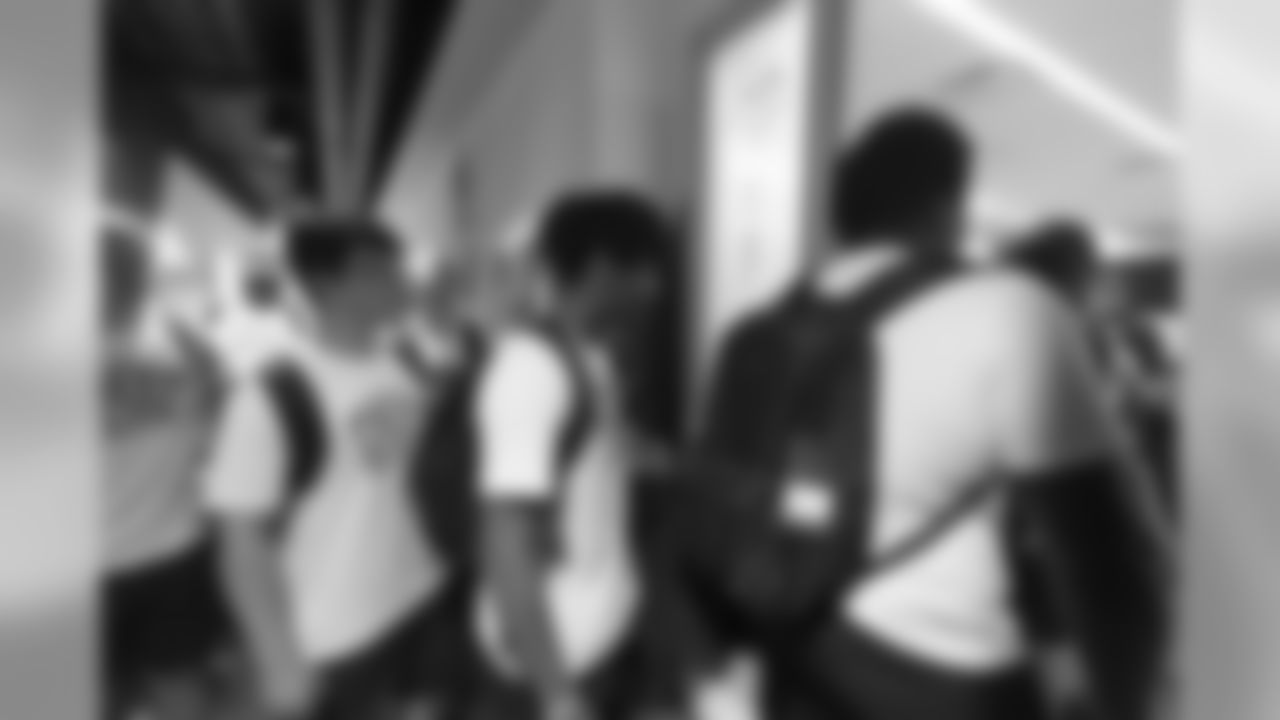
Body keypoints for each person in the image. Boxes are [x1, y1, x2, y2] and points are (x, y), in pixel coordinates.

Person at [699, 108, 1172, 720]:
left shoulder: (755, 332)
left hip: (789, 653)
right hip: (945, 678)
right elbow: (1108, 564)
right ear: (946, 207)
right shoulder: (1011, 310)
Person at [204, 217, 451, 720]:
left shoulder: (410, 361)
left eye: (399, 265)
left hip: (421, 595)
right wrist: (278, 659)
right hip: (335, 629)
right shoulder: (275, 393)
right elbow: (241, 540)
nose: (400, 279)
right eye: (377, 269)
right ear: (322, 283)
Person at [457, 192, 682, 720]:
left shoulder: (589, 358)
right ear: (602, 269)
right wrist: (556, 694)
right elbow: (506, 541)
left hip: (598, 637)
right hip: (555, 662)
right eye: (646, 271)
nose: (655, 289)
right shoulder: (530, 371)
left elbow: (607, 455)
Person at [102, 226, 229, 720]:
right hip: (172, 554)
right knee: (178, 683)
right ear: (142, 283)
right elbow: (216, 448)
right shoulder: (189, 357)